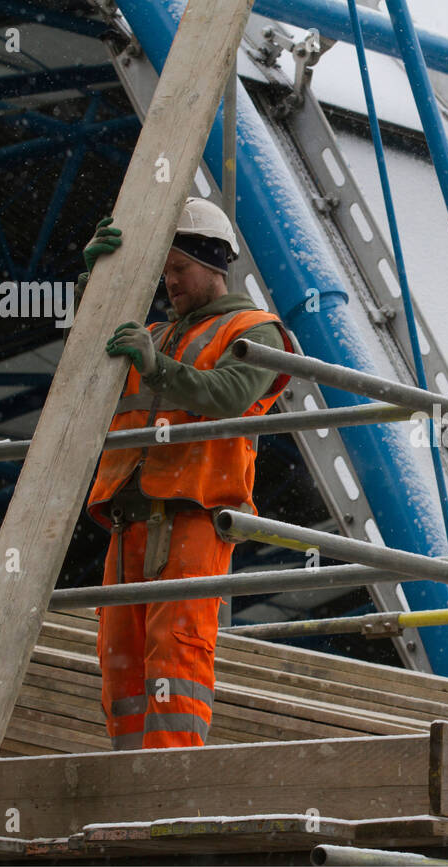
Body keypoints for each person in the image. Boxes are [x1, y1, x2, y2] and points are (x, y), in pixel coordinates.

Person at [78, 197, 296, 750]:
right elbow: (81, 370)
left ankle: (169, 780)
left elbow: (228, 394)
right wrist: (95, 287)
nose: (169, 281)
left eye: (180, 269)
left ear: (214, 265)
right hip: (130, 522)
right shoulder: (153, 334)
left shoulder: (255, 330)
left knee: (176, 653)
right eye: (164, 270)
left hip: (193, 519)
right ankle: (129, 783)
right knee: (119, 662)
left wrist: (159, 368)